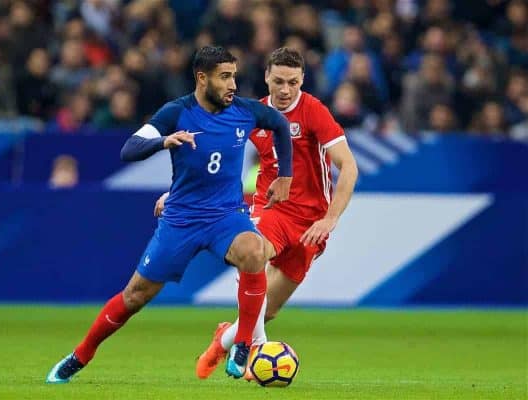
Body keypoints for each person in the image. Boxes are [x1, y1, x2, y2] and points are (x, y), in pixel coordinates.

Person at [45, 46, 294, 383]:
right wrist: (163, 142)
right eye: (225, 77)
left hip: (226, 216)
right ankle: (80, 355)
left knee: (254, 250)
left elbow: (279, 124)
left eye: (234, 75)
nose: (232, 84)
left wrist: (285, 175)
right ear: (202, 78)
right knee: (135, 296)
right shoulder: (176, 113)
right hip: (182, 220)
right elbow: (129, 149)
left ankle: (243, 344)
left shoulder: (245, 111)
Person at [154, 47, 358, 380]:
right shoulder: (252, 113)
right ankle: (246, 350)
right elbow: (210, 156)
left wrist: (330, 218)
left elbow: (348, 166)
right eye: (278, 81)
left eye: (293, 82)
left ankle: (225, 338)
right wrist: (175, 194)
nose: (285, 90)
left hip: (310, 222)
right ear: (266, 77)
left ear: (302, 81)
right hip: (271, 208)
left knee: (268, 310)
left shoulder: (314, 112)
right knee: (255, 252)